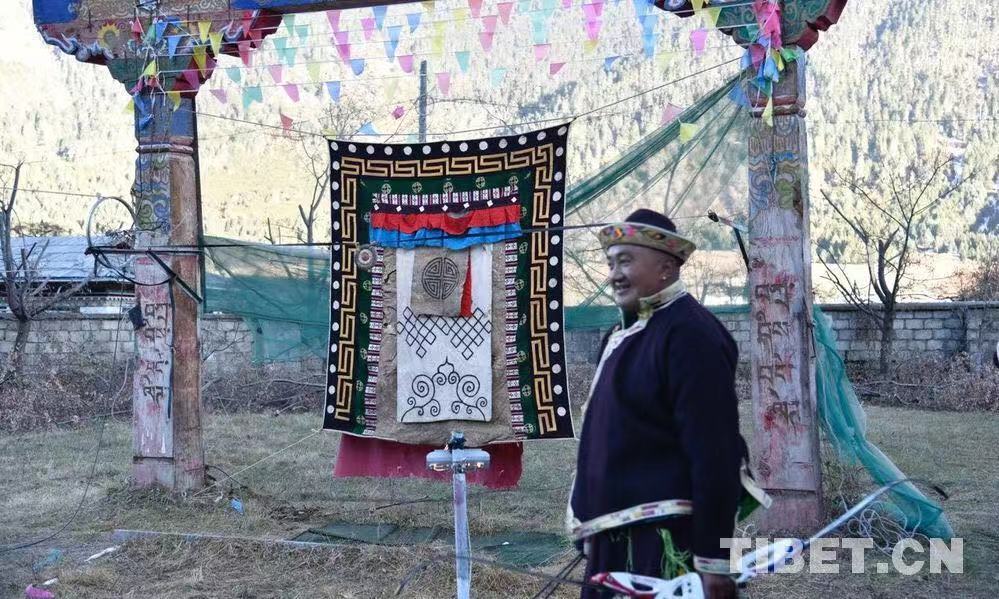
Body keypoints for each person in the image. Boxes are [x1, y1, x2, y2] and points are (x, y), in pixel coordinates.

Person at [567, 209, 768, 599]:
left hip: (667, 544)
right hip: (614, 540)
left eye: (626, 261)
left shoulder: (691, 334)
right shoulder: (620, 335)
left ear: (666, 267)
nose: (614, 275)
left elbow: (715, 454)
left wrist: (713, 561)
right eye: (611, 263)